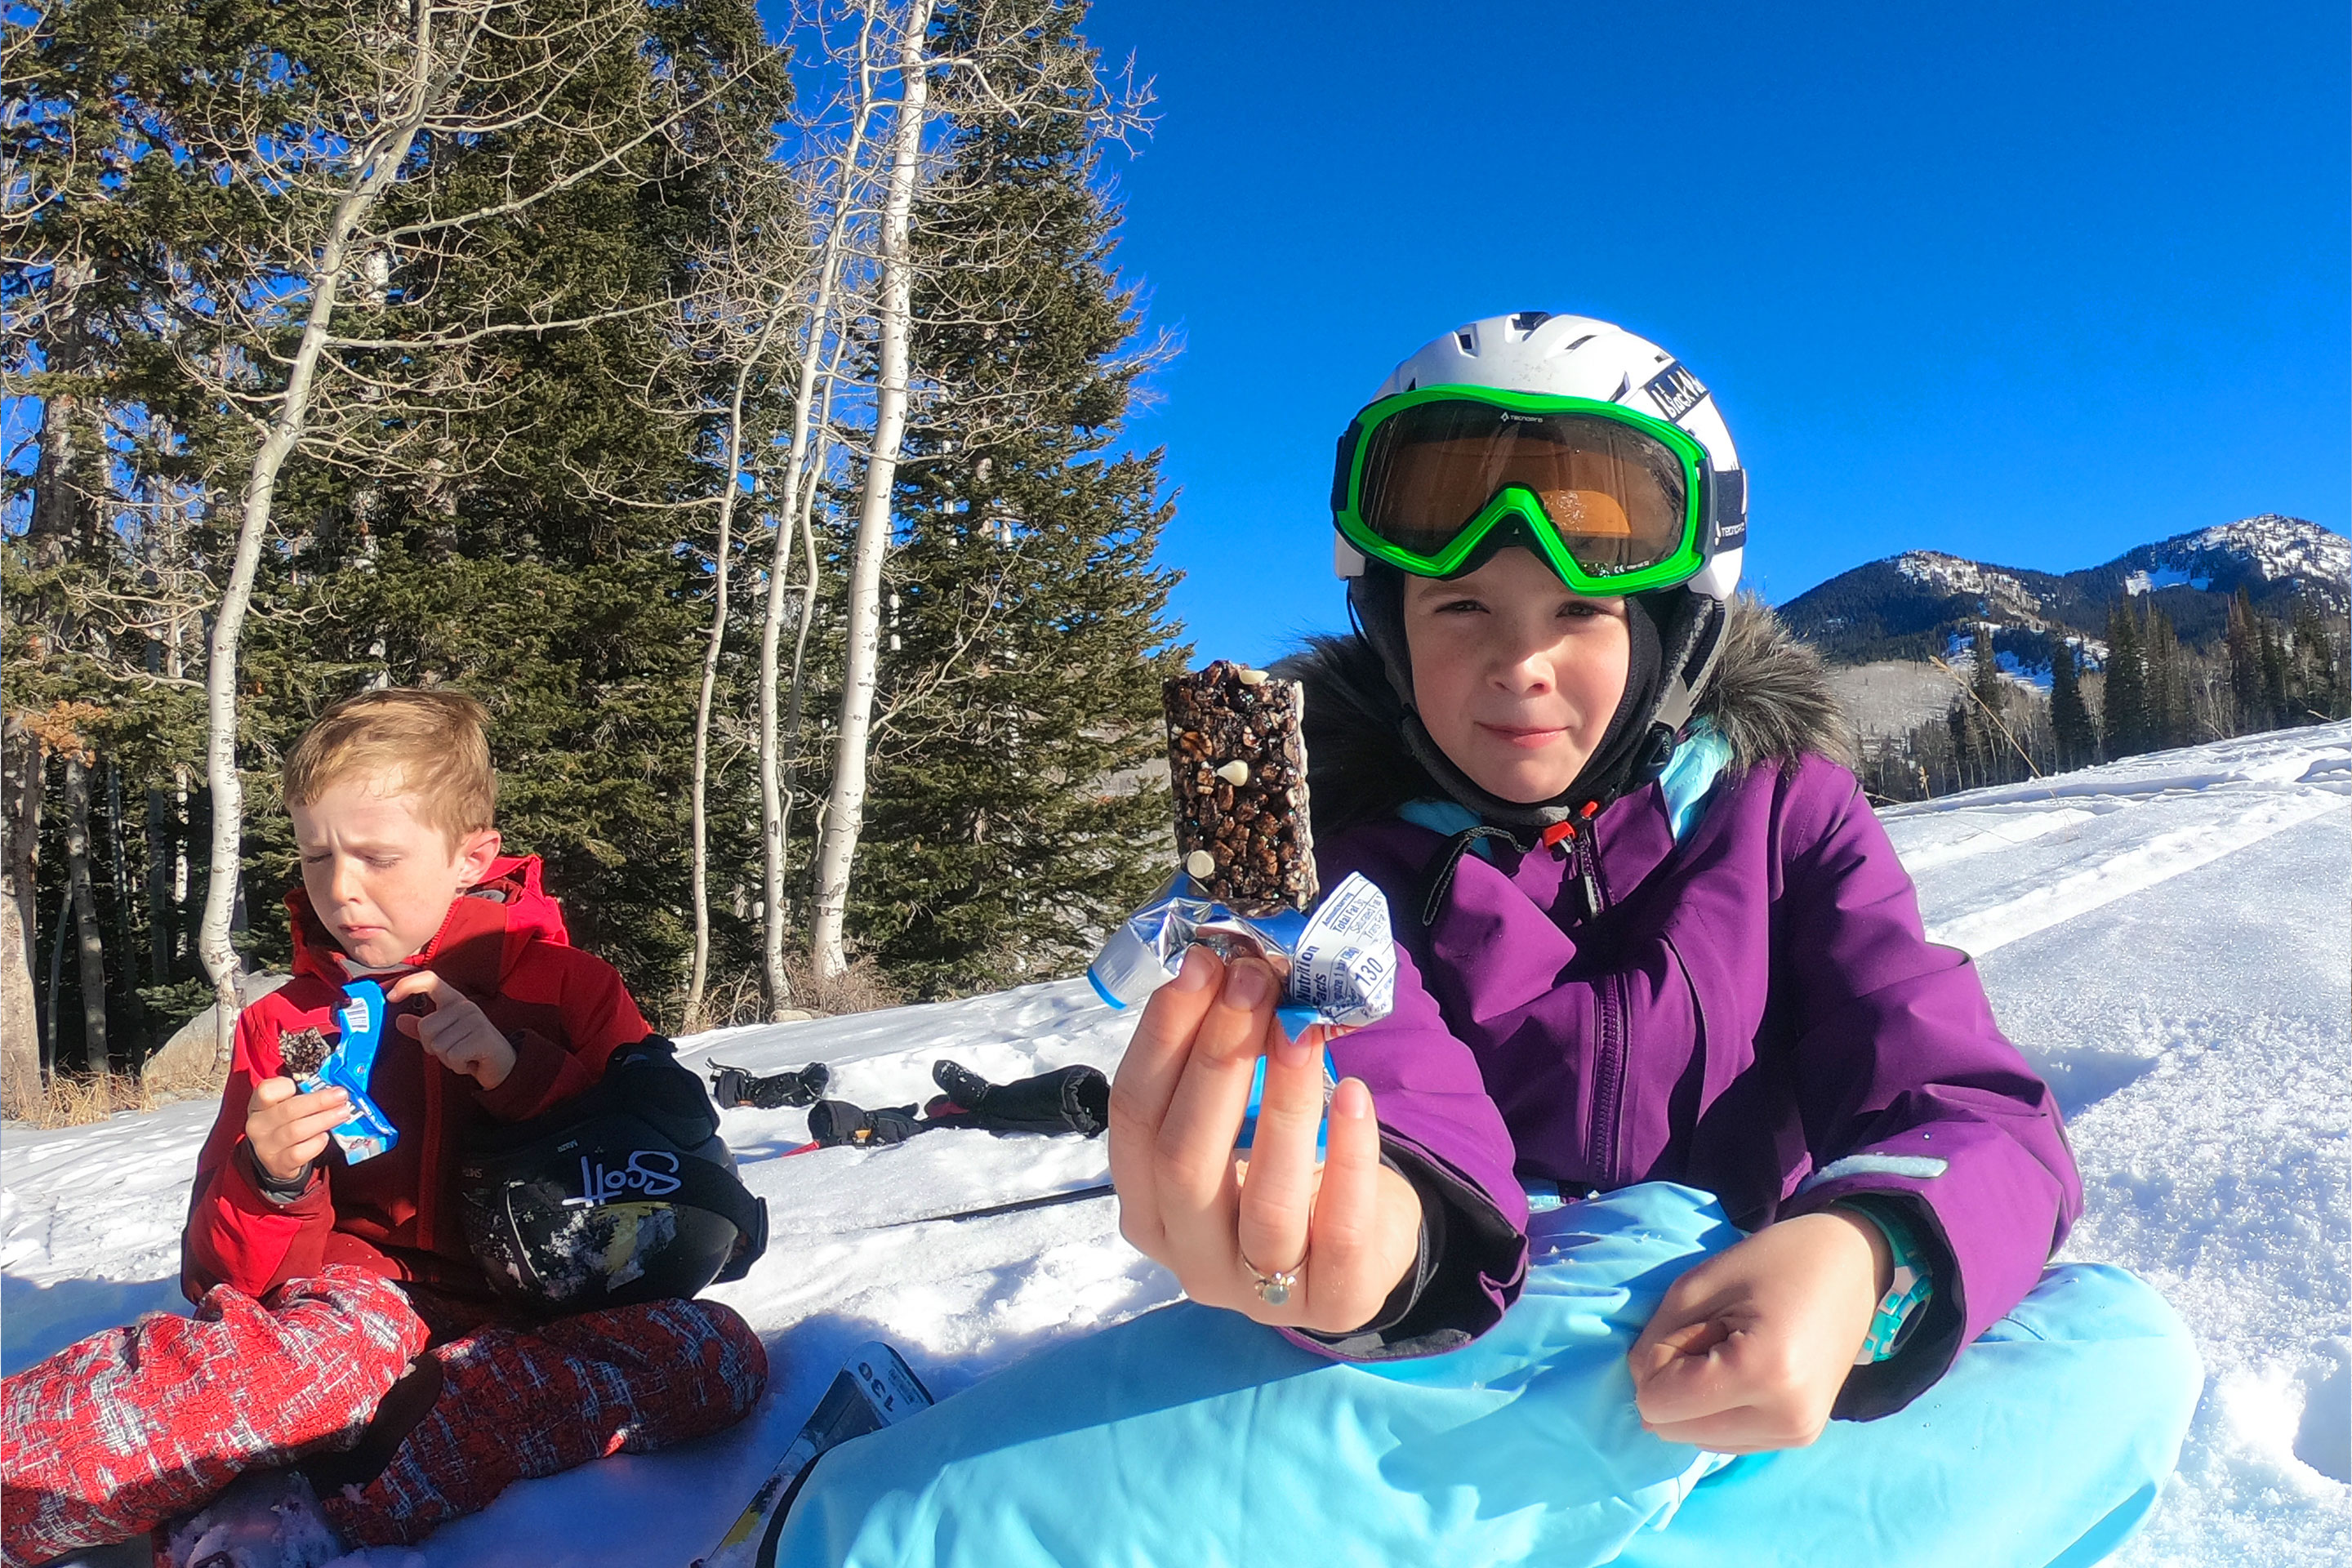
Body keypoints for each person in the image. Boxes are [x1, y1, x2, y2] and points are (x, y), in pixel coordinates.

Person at [767, 313, 2202, 1567]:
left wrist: (1863, 1258)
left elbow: (1956, 1092)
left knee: (2120, 1353)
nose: (1520, 663)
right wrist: (1379, 1243)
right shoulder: (1329, 867)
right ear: (1390, 630)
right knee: (1638, 1244)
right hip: (1424, 1381)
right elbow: (1379, 1088)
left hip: (1745, 1367)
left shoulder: (1784, 819)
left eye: (1579, 610)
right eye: (1461, 608)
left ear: (1673, 639)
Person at [1, 689, 769, 1567]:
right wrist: (273, 1179)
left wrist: (521, 1078)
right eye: (317, 855)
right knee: (269, 1371)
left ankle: (312, 1503)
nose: (340, 889)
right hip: (356, 1312)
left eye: (377, 856)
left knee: (714, 1358)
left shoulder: (572, 990)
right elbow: (219, 1283)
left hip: (543, 1318)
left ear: (469, 855)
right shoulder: (283, 1026)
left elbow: (678, 1177)